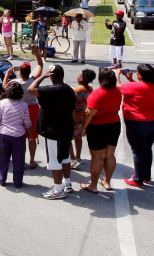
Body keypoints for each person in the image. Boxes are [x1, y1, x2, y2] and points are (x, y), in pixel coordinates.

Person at [28, 64, 76, 199]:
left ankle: (58, 189)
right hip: (66, 129)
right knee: (65, 157)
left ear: (51, 75)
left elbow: (31, 89)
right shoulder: (68, 89)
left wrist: (43, 75)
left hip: (54, 131)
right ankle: (67, 183)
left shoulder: (50, 90)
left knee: (55, 161)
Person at [118, 64, 154, 187]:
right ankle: (146, 176)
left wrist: (117, 75)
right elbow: (140, 90)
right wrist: (131, 80)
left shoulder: (135, 86)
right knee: (147, 149)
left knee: (137, 151)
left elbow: (118, 87)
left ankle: (138, 179)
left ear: (140, 75)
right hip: (153, 119)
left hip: (137, 121)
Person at [80, 68, 122, 193]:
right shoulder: (118, 91)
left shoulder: (97, 93)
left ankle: (93, 185)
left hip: (98, 127)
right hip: (114, 124)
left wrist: (84, 128)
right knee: (110, 155)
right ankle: (107, 181)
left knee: (97, 157)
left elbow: (90, 113)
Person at [5, 52, 43, 169]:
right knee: (33, 137)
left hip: (19, 109)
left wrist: (7, 73)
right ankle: (32, 161)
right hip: (33, 110)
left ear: (20, 72)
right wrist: (36, 51)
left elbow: (5, 86)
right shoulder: (33, 81)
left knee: (21, 137)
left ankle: (22, 162)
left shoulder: (15, 83)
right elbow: (40, 65)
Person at [0, 80, 32, 187]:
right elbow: (27, 122)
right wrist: (31, 136)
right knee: (18, 159)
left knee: (3, 158)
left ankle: (2, 178)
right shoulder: (24, 105)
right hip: (18, 136)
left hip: (4, 134)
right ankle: (18, 181)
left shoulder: (2, 103)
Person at [71, 69, 95, 169]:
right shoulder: (90, 88)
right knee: (78, 137)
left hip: (73, 116)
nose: (77, 77)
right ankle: (78, 157)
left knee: (68, 139)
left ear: (82, 78)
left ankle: (72, 159)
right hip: (82, 116)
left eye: (79, 75)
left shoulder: (76, 89)